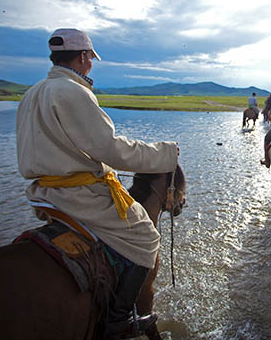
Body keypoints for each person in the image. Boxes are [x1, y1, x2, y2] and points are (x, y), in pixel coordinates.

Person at [16, 28, 179, 339]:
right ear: (82, 57)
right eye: (90, 57)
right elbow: (110, 150)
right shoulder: (72, 92)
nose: (91, 64)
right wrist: (165, 155)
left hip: (45, 194)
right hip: (77, 194)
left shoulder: (32, 92)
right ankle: (118, 321)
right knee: (146, 237)